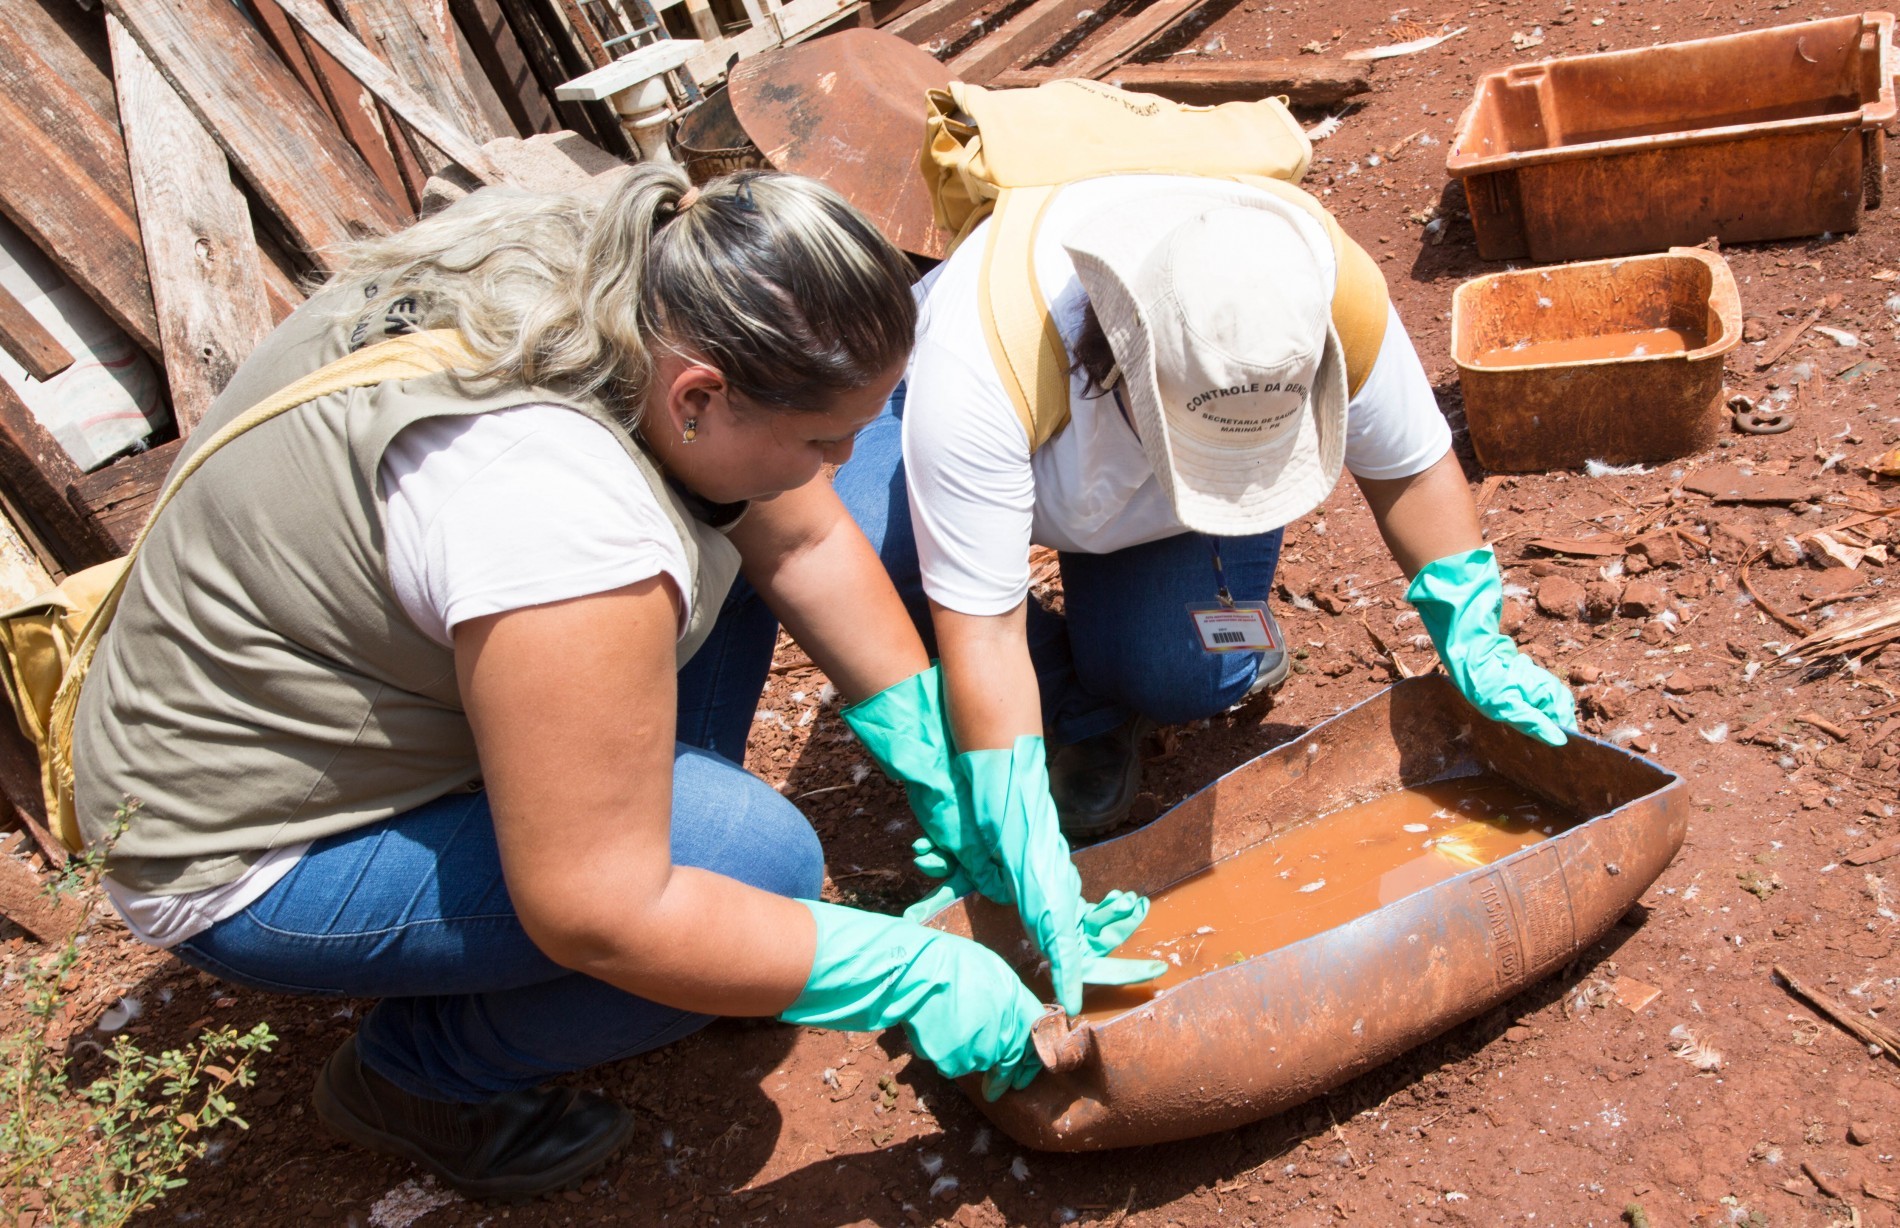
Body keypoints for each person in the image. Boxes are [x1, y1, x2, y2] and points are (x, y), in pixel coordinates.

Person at [70, 165, 1154, 1200]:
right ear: (700, 395)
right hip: (253, 834)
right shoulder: (552, 510)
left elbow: (804, 541)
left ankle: (686, 879)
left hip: (358, 673)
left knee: (733, 556)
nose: (835, 463)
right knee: (756, 871)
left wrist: (942, 760)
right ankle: (420, 1075)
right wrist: (909, 972)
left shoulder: (650, 270)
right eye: (823, 436)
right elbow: (598, 909)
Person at [837, 173, 1578, 842]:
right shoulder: (983, 366)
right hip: (995, 432)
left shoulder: (1320, 297)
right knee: (867, 546)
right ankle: (1077, 712)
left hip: (1113, 482)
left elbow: (1411, 472)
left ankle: (1157, 653)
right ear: (1117, 362)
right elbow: (984, 632)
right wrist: (1014, 805)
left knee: (1177, 673)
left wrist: (1474, 634)